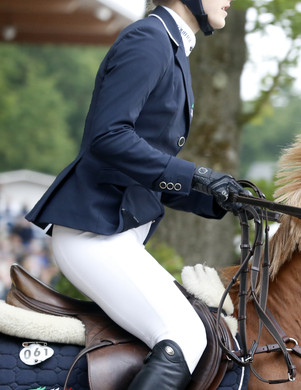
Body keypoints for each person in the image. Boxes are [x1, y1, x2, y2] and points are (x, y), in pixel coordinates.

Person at [24, 0, 246, 388]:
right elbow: (108, 137)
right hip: (96, 234)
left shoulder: (171, 46)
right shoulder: (150, 39)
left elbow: (148, 169)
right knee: (186, 335)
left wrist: (216, 196)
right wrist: (197, 173)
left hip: (116, 234)